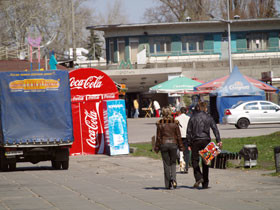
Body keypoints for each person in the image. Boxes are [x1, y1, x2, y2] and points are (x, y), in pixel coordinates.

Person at [186, 101, 222, 189]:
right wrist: (218, 140)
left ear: (198, 108)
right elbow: (215, 129)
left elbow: (188, 131)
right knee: (206, 161)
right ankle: (205, 183)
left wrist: (189, 143)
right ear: (205, 108)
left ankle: (198, 177)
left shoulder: (193, 117)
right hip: (206, 141)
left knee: (194, 160)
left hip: (195, 141)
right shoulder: (209, 117)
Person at [154, 107, 185, 190]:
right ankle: (174, 180)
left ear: (163, 114)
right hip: (173, 145)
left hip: (164, 145)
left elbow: (159, 137)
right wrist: (181, 147)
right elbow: (178, 136)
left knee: (166, 164)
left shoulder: (160, 123)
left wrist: (156, 148)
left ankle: (168, 184)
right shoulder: (175, 123)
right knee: (173, 163)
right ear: (170, 113)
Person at [175, 107, 190, 173]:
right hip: (187, 136)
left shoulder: (177, 118)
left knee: (181, 151)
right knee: (186, 152)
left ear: (180, 112)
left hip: (179, 136)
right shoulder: (189, 118)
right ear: (186, 111)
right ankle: (186, 166)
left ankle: (182, 166)